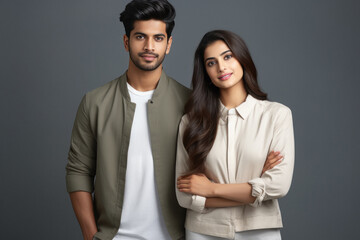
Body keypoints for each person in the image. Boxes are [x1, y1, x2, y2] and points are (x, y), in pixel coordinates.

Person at [65, 1, 190, 239]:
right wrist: (91, 235)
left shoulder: (190, 103)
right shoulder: (95, 102)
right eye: (140, 37)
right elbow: (78, 170)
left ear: (169, 44)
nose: (149, 46)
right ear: (126, 42)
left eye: (158, 38)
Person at [176, 30, 295, 240]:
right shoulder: (190, 122)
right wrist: (256, 187)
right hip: (203, 231)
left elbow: (278, 185)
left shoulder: (277, 115)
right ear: (205, 72)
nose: (221, 67)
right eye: (211, 63)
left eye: (227, 56)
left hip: (259, 229)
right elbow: (185, 197)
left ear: (242, 59)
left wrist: (211, 190)